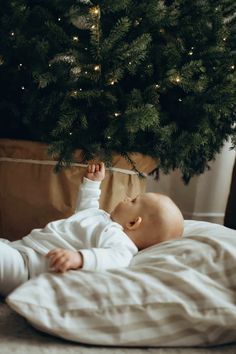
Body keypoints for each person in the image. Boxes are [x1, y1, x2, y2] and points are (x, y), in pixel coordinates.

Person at [0, 162, 184, 296]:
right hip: (20, 248)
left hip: (28, 268)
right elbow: (86, 211)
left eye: (133, 201)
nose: (127, 197)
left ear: (133, 223)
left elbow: (114, 260)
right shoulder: (102, 218)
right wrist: (92, 184)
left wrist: (80, 258)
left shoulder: (120, 242)